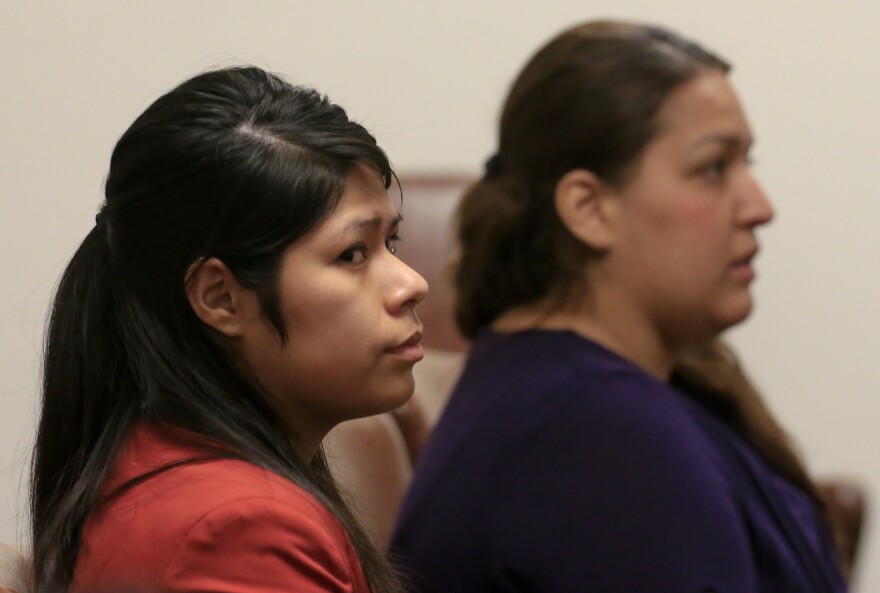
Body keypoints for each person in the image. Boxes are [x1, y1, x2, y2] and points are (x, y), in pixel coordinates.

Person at [390, 20, 847, 593]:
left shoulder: (599, 395)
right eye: (712, 167)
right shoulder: (594, 436)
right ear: (589, 207)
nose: (759, 206)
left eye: (746, 164)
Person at [31, 66, 428, 593]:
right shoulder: (238, 529)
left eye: (390, 245)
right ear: (220, 297)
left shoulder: (181, 465)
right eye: (352, 254)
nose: (412, 284)